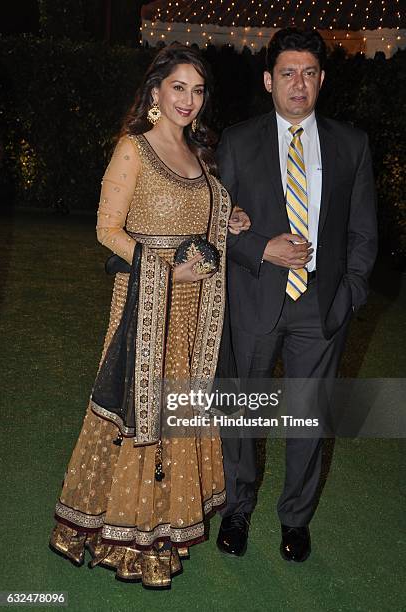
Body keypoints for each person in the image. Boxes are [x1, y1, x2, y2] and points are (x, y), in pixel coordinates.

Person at [49, 44, 249, 589]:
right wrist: (162, 270)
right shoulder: (132, 149)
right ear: (155, 91)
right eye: (179, 87)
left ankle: (162, 529)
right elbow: (107, 229)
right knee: (138, 407)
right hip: (144, 300)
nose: (189, 100)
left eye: (198, 90)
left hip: (188, 308)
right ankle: (124, 533)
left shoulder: (199, 156)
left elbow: (200, 212)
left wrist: (225, 220)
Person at [216, 28, 378, 562]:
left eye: (308, 72)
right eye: (287, 72)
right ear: (268, 80)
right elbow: (218, 224)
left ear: (322, 79)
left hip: (320, 309)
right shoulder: (237, 141)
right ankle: (237, 511)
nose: (298, 83)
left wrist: (349, 295)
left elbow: (362, 232)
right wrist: (262, 249)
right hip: (254, 301)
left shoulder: (351, 144)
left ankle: (296, 520)